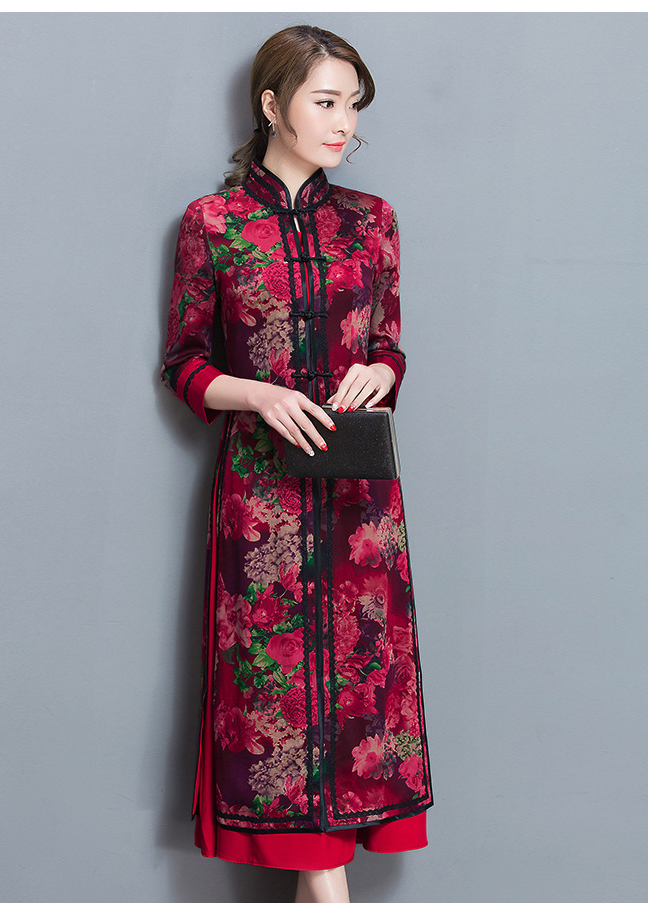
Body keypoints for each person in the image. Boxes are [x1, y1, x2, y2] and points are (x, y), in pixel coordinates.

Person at [161, 25, 433, 903]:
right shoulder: (214, 224)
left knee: (358, 693)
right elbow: (185, 364)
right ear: (273, 105)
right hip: (263, 498)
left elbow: (390, 344)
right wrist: (259, 394)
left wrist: (380, 373)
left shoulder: (373, 221)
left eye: (353, 105)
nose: (344, 122)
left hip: (359, 498)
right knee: (276, 699)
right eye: (325, 101)